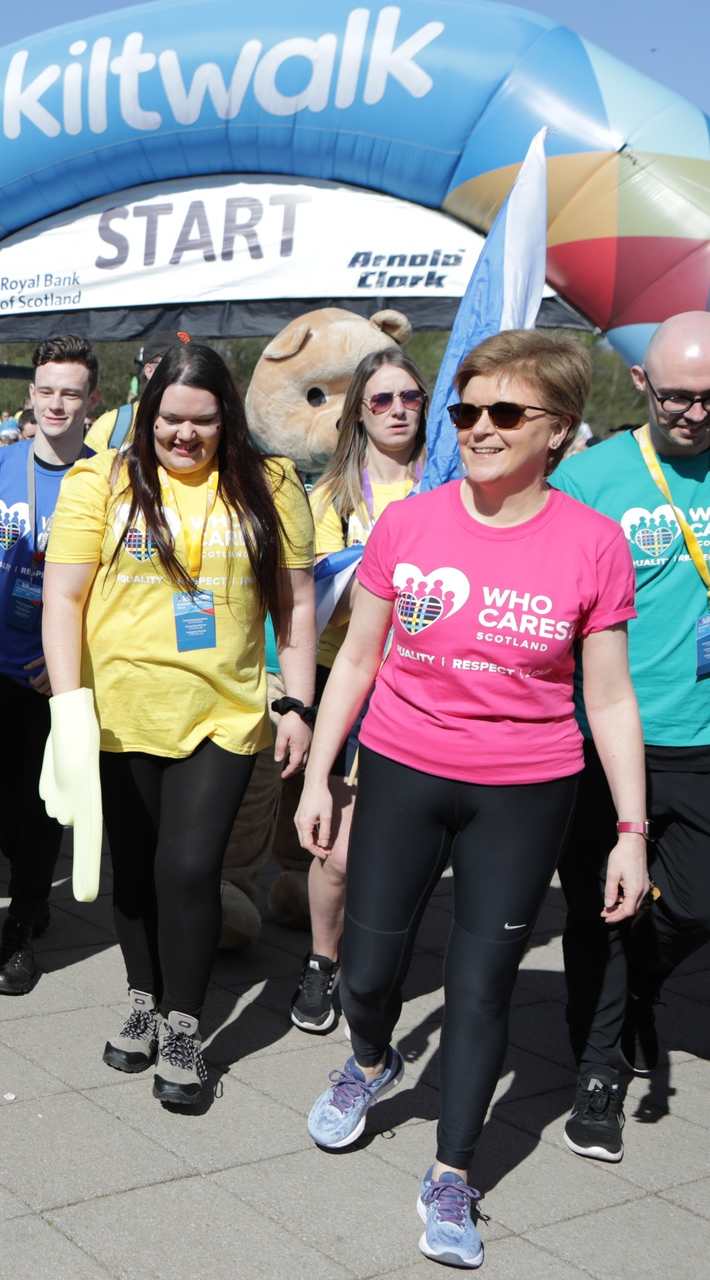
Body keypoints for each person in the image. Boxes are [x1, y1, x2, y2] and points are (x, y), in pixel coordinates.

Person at [295, 329, 645, 1270]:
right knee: (368, 973)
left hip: (526, 790)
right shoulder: (411, 523)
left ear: (559, 429)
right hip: (403, 769)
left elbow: (609, 696)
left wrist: (630, 831)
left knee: (481, 986)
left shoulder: (593, 543)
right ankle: (371, 1062)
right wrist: (324, 772)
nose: (477, 429)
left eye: (504, 413)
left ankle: (452, 1172)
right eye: (467, 411)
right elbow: (358, 657)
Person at [41, 340, 317, 1105]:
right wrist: (69, 708)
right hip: (118, 711)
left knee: (188, 871)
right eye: (170, 421)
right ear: (147, 414)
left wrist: (296, 703)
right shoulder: (102, 480)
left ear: (228, 419)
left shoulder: (271, 484)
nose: (184, 437)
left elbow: (294, 607)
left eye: (203, 421)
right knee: (135, 869)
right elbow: (63, 600)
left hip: (223, 712)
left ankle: (185, 1025)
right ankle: (141, 996)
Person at [552, 311, 710, 1165]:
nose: (694, 413)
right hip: (606, 740)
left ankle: (635, 992)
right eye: (678, 396)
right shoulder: (589, 479)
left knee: (694, 904)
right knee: (601, 912)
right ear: (643, 384)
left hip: (705, 735)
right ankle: (598, 1069)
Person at [0, 335, 101, 995]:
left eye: (71, 392)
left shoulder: (107, 477)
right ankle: (32, 884)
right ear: (32, 394)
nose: (57, 403)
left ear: (92, 400)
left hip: (56, 676)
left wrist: (71, 661)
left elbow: (114, 586)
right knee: (9, 814)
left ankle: (17, 933)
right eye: (46, 390)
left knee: (42, 807)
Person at [290, 349, 427, 1033]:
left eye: (410, 396)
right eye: (382, 400)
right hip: (349, 683)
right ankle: (322, 960)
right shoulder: (329, 499)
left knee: (402, 847)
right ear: (359, 414)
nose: (398, 409)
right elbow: (315, 601)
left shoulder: (453, 488)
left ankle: (377, 962)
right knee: (337, 853)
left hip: (429, 690)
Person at [82, 330, 194, 455]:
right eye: (174, 364)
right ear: (149, 370)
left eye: (192, 365)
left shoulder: (208, 425)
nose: (185, 372)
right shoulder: (112, 426)